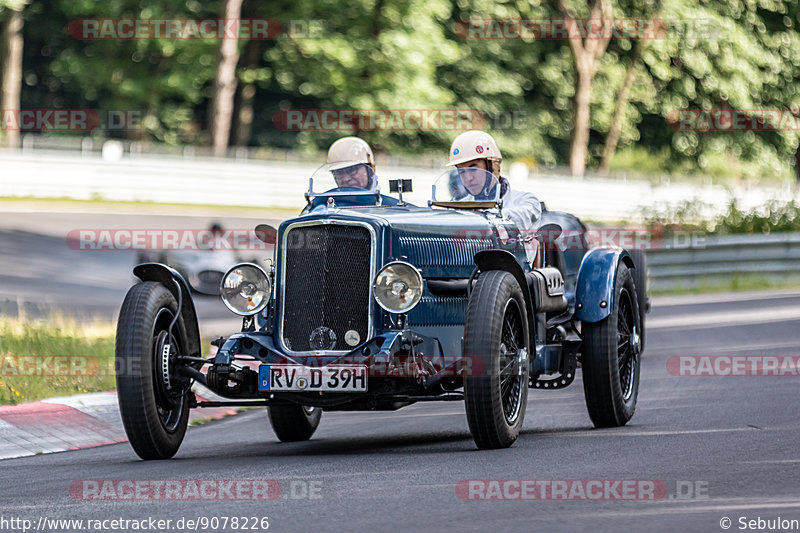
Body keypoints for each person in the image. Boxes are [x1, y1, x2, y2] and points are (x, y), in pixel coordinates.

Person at [448, 130, 542, 264]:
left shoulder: (526, 201)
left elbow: (522, 218)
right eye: (461, 171)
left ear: (493, 166)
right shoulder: (459, 207)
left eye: (474, 169)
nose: (468, 178)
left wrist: (481, 215)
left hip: (512, 278)